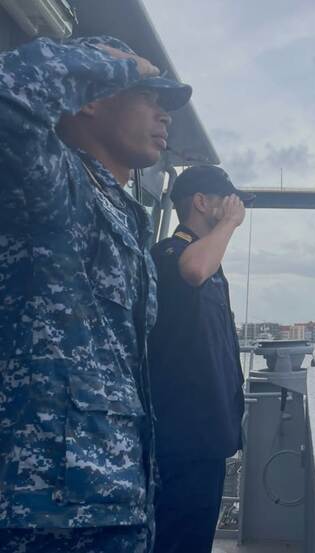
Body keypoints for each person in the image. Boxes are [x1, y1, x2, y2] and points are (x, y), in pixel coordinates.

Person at [0, 36, 192, 551]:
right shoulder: (50, 185)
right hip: (42, 512)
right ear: (91, 97)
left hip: (113, 500)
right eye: (150, 96)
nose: (165, 115)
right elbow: (7, 96)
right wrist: (111, 64)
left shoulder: (125, 212)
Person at [148, 165, 251, 552]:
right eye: (226, 200)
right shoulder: (169, 254)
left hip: (207, 436)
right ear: (201, 202)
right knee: (176, 538)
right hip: (180, 437)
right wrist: (229, 226)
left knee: (195, 536)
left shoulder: (210, 261)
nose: (235, 208)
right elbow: (192, 269)